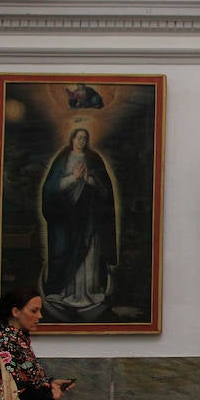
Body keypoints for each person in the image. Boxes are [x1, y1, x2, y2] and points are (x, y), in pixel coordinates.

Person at [41, 127, 117, 318]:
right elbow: (51, 188)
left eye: (85, 138)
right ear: (72, 139)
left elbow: (105, 190)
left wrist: (89, 179)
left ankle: (89, 292)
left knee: (89, 253)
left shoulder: (94, 159)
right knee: (65, 251)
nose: (81, 141)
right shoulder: (62, 159)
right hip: (67, 218)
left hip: (89, 216)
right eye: (79, 137)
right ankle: (64, 292)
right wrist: (72, 178)